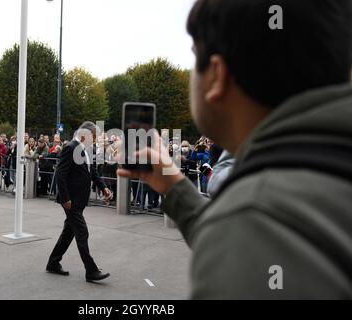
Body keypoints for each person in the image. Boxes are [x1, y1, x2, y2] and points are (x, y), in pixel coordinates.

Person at [118, 0, 352, 299]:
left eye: (194, 59)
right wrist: (175, 188)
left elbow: (246, 240)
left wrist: (233, 221)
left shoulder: (255, 218)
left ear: (217, 75)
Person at [46, 121, 112, 282]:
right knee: (82, 232)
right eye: (94, 136)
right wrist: (65, 198)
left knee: (68, 232)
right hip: (71, 201)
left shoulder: (86, 149)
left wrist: (103, 188)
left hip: (79, 200)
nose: (95, 140)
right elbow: (60, 175)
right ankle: (91, 271)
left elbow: (92, 172)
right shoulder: (70, 147)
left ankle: (53, 263)